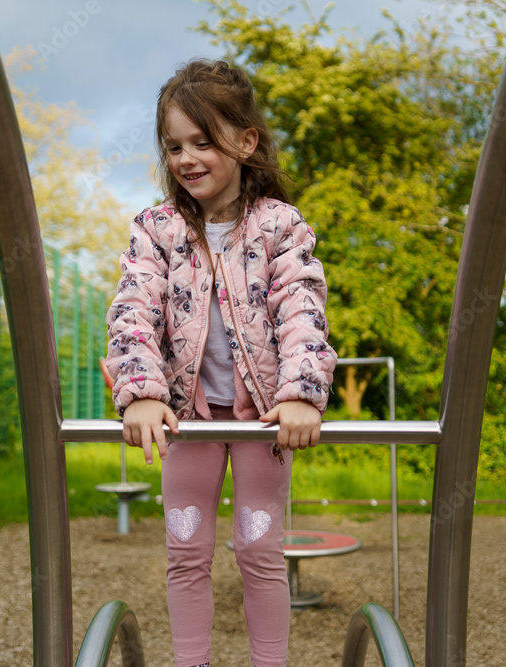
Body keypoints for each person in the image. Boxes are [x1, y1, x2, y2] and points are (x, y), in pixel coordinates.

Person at [105, 58, 336, 667]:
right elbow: (133, 309)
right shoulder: (157, 229)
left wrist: (301, 393)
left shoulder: (280, 226)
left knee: (260, 552)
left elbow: (301, 309)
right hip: (189, 418)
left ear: (246, 141)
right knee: (186, 552)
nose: (187, 158)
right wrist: (142, 391)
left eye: (203, 141)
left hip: (263, 419)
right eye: (174, 145)